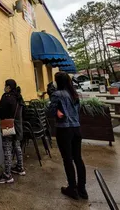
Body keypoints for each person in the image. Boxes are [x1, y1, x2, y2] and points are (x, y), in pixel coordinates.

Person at [47, 72, 88, 200]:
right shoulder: (74, 94)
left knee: (67, 159)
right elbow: (76, 110)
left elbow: (50, 111)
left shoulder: (57, 94)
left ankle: (72, 188)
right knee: (78, 158)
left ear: (58, 81)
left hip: (64, 129)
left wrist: (56, 110)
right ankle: (82, 189)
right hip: (76, 128)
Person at [0, 79, 26, 184]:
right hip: (18, 126)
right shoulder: (18, 97)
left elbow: (0, 110)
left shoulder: (6, 97)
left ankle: (7, 175)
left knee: (7, 149)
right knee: (17, 146)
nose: (4, 87)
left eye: (5, 85)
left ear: (8, 87)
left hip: (8, 126)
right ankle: (20, 167)